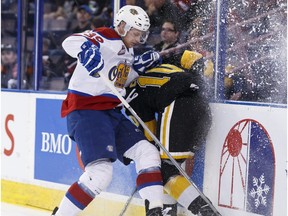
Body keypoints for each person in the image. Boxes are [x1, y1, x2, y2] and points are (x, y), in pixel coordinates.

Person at [51, 5, 167, 216]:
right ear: (122, 27)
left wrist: (138, 68)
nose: (138, 39)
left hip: (110, 112)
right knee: (100, 174)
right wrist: (86, 50)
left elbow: (116, 79)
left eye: (142, 35)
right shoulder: (105, 36)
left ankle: (155, 211)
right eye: (135, 33)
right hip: (86, 111)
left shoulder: (128, 50)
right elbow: (70, 41)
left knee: (147, 152)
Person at [125, 50, 218, 216]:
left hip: (180, 106)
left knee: (163, 169)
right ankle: (170, 211)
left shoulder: (130, 92)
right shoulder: (160, 67)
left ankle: (205, 211)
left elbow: (149, 132)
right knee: (168, 167)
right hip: (203, 109)